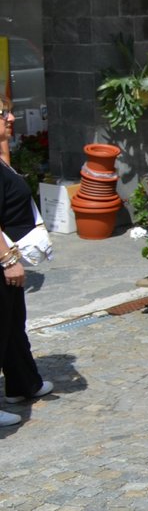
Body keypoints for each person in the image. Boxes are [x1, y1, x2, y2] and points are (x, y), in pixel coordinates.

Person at [0, 102, 51, 427]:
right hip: (3, 257)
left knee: (12, 322)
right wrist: (7, 260)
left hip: (9, 255)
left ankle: (23, 384)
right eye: (3, 114)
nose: (11, 118)